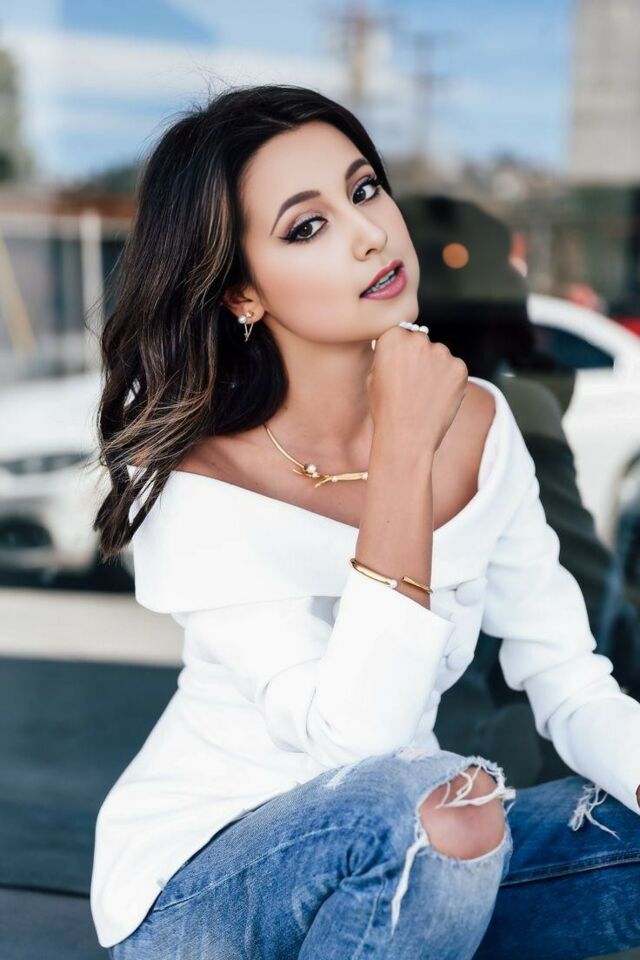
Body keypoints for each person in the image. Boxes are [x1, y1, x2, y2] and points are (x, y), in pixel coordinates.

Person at [89, 84, 640, 959]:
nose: (370, 234)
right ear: (241, 293)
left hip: (418, 859)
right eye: (308, 226)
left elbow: (568, 679)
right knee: (442, 806)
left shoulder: (482, 423)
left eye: (365, 190)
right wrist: (404, 451)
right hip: (202, 889)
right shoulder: (195, 475)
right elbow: (361, 741)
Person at [396, 194, 640, 785]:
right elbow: (592, 599)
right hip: (494, 754)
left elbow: (568, 648)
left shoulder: (501, 414)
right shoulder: (513, 411)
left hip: (485, 751)